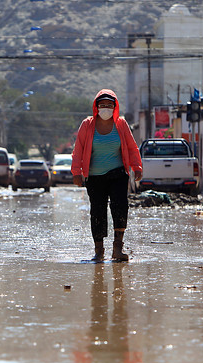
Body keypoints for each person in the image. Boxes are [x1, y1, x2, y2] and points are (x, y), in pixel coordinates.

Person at [71, 89, 142, 262]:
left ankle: (117, 249)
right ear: (96, 107)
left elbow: (132, 147)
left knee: (120, 207)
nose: (106, 108)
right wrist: (76, 172)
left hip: (118, 173)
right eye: (102, 105)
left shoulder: (121, 124)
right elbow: (78, 149)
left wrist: (137, 166)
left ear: (115, 107)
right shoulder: (87, 125)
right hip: (94, 177)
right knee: (97, 211)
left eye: (109, 105)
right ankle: (99, 251)